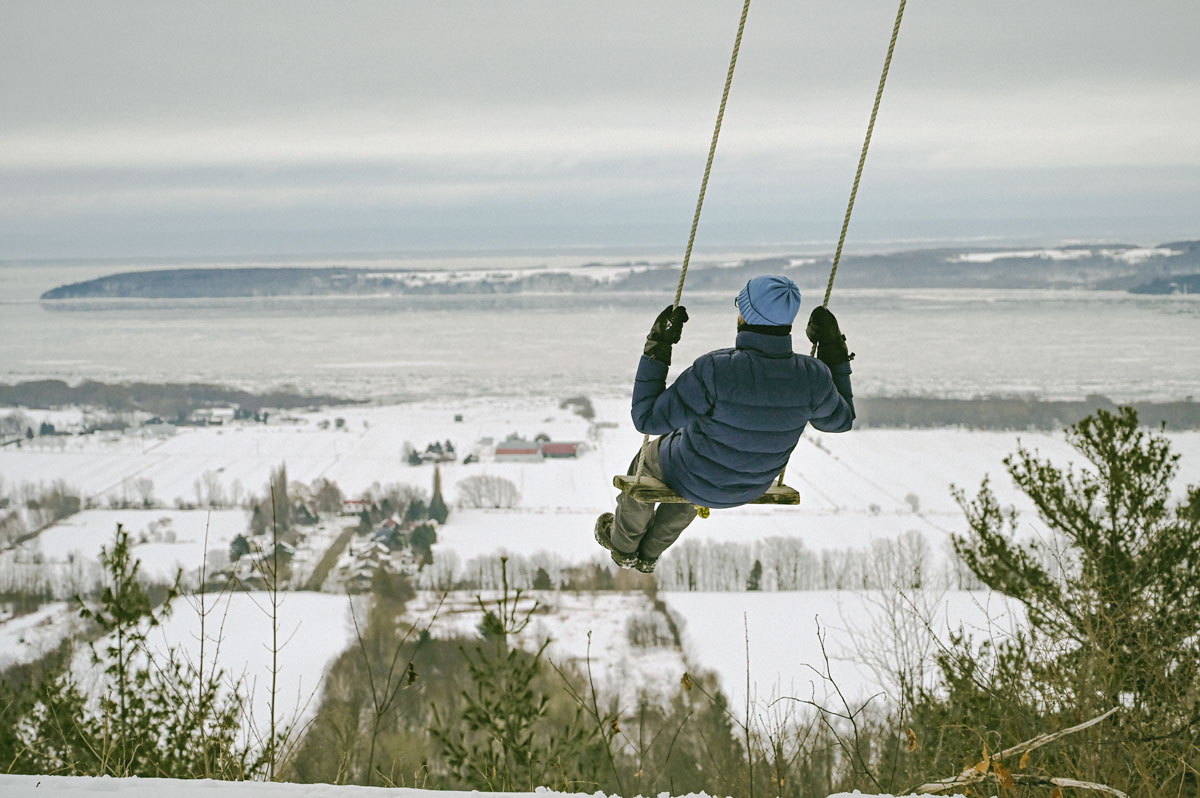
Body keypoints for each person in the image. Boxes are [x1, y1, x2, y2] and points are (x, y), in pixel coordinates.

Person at [594, 274, 856, 573]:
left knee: (650, 460)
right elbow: (841, 420)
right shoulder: (814, 376)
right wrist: (833, 349)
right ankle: (650, 553)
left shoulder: (717, 369)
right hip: (751, 486)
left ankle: (624, 545)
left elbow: (647, 418)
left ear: (746, 313)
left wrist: (658, 346)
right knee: (695, 462)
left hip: (693, 475)